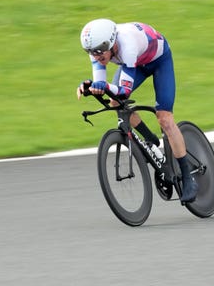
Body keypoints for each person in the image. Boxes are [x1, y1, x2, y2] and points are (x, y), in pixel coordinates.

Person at [76, 18, 198, 203]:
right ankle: (149, 137)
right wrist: (90, 86)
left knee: (164, 119)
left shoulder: (127, 45)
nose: (95, 56)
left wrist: (103, 85)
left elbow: (124, 90)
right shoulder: (98, 50)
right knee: (115, 103)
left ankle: (188, 177)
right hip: (136, 63)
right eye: (90, 52)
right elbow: (101, 82)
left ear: (110, 43)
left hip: (159, 61)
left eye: (99, 51)